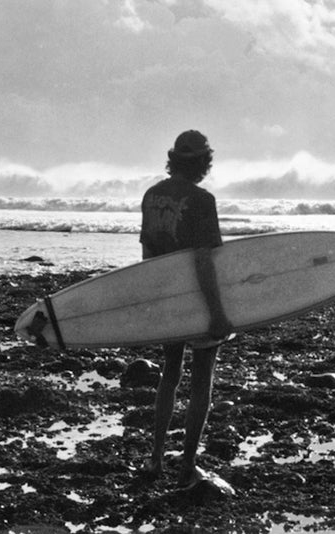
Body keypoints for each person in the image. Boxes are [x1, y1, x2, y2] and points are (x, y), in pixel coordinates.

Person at [140, 130, 235, 489]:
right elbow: (204, 260)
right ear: (202, 162)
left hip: (167, 298)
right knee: (200, 381)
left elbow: (147, 254)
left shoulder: (152, 196)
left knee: (169, 373)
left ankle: (155, 458)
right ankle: (188, 465)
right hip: (196, 300)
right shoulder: (201, 200)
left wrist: (154, 299)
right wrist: (217, 312)